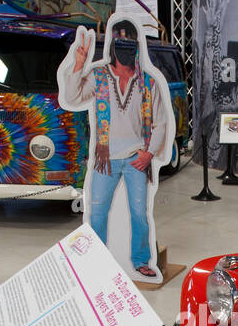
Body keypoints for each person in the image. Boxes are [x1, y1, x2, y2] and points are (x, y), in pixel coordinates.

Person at [59, 18, 171, 280]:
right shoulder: (99, 77)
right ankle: (96, 261)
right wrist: (78, 64)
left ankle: (141, 260)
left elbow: (161, 121)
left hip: (136, 159)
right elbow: (73, 97)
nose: (124, 48)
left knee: (139, 214)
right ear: (112, 45)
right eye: (120, 43)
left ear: (136, 47)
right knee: (97, 212)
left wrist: (148, 153)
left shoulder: (147, 83)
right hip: (105, 159)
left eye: (129, 44)